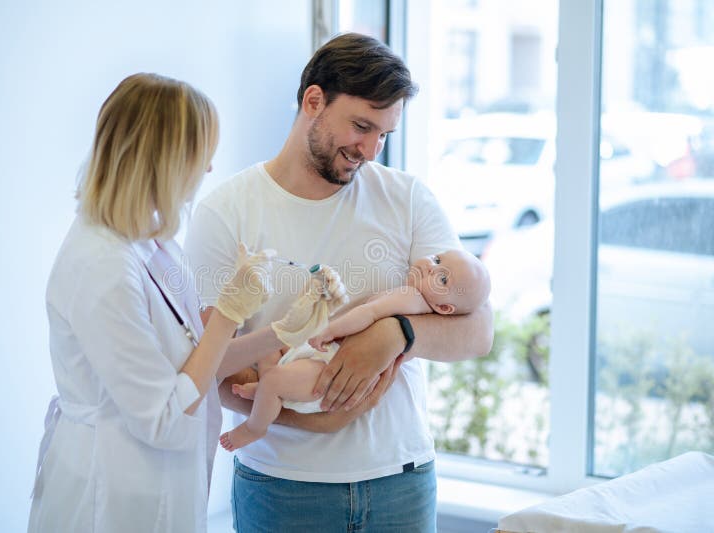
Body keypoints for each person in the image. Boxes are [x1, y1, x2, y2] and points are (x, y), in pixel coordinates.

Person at [186, 33, 494, 532]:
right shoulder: (226, 213)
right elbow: (211, 371)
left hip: (402, 481)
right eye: (361, 126)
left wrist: (397, 333)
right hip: (281, 488)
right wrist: (316, 421)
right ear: (313, 101)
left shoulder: (408, 198)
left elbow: (478, 330)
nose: (371, 150)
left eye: (385, 134)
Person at [27, 73, 345, 533]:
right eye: (202, 154)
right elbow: (164, 418)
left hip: (158, 487)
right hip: (109, 496)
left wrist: (282, 333)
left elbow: (196, 365)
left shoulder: (152, 245)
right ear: (165, 160)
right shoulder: (102, 266)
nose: (209, 169)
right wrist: (228, 316)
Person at [219, 249, 491, 451]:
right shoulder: (412, 297)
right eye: (437, 259)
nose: (431, 268)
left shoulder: (411, 298)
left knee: (275, 377)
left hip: (328, 369)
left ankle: (255, 427)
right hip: (321, 359)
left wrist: (329, 330)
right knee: (270, 352)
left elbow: (365, 314)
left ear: (444, 309)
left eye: (442, 279)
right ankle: (265, 391)